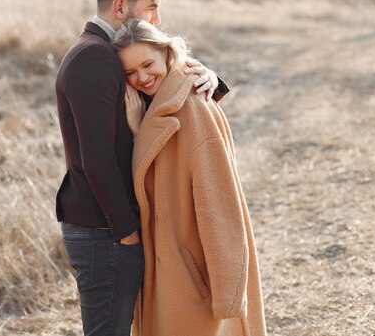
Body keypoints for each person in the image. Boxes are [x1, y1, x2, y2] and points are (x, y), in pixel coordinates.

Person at [54, 0, 229, 336]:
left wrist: (210, 78)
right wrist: (128, 233)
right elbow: (95, 159)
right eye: (151, 7)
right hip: (105, 230)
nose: (157, 19)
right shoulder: (94, 57)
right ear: (121, 6)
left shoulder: (109, 52)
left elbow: (159, 87)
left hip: (110, 227)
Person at [112, 18, 267, 336]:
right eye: (130, 72)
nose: (142, 77)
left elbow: (219, 203)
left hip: (191, 272)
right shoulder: (154, 104)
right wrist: (136, 127)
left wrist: (228, 291)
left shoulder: (191, 108)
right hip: (169, 267)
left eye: (147, 64)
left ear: (166, 52)